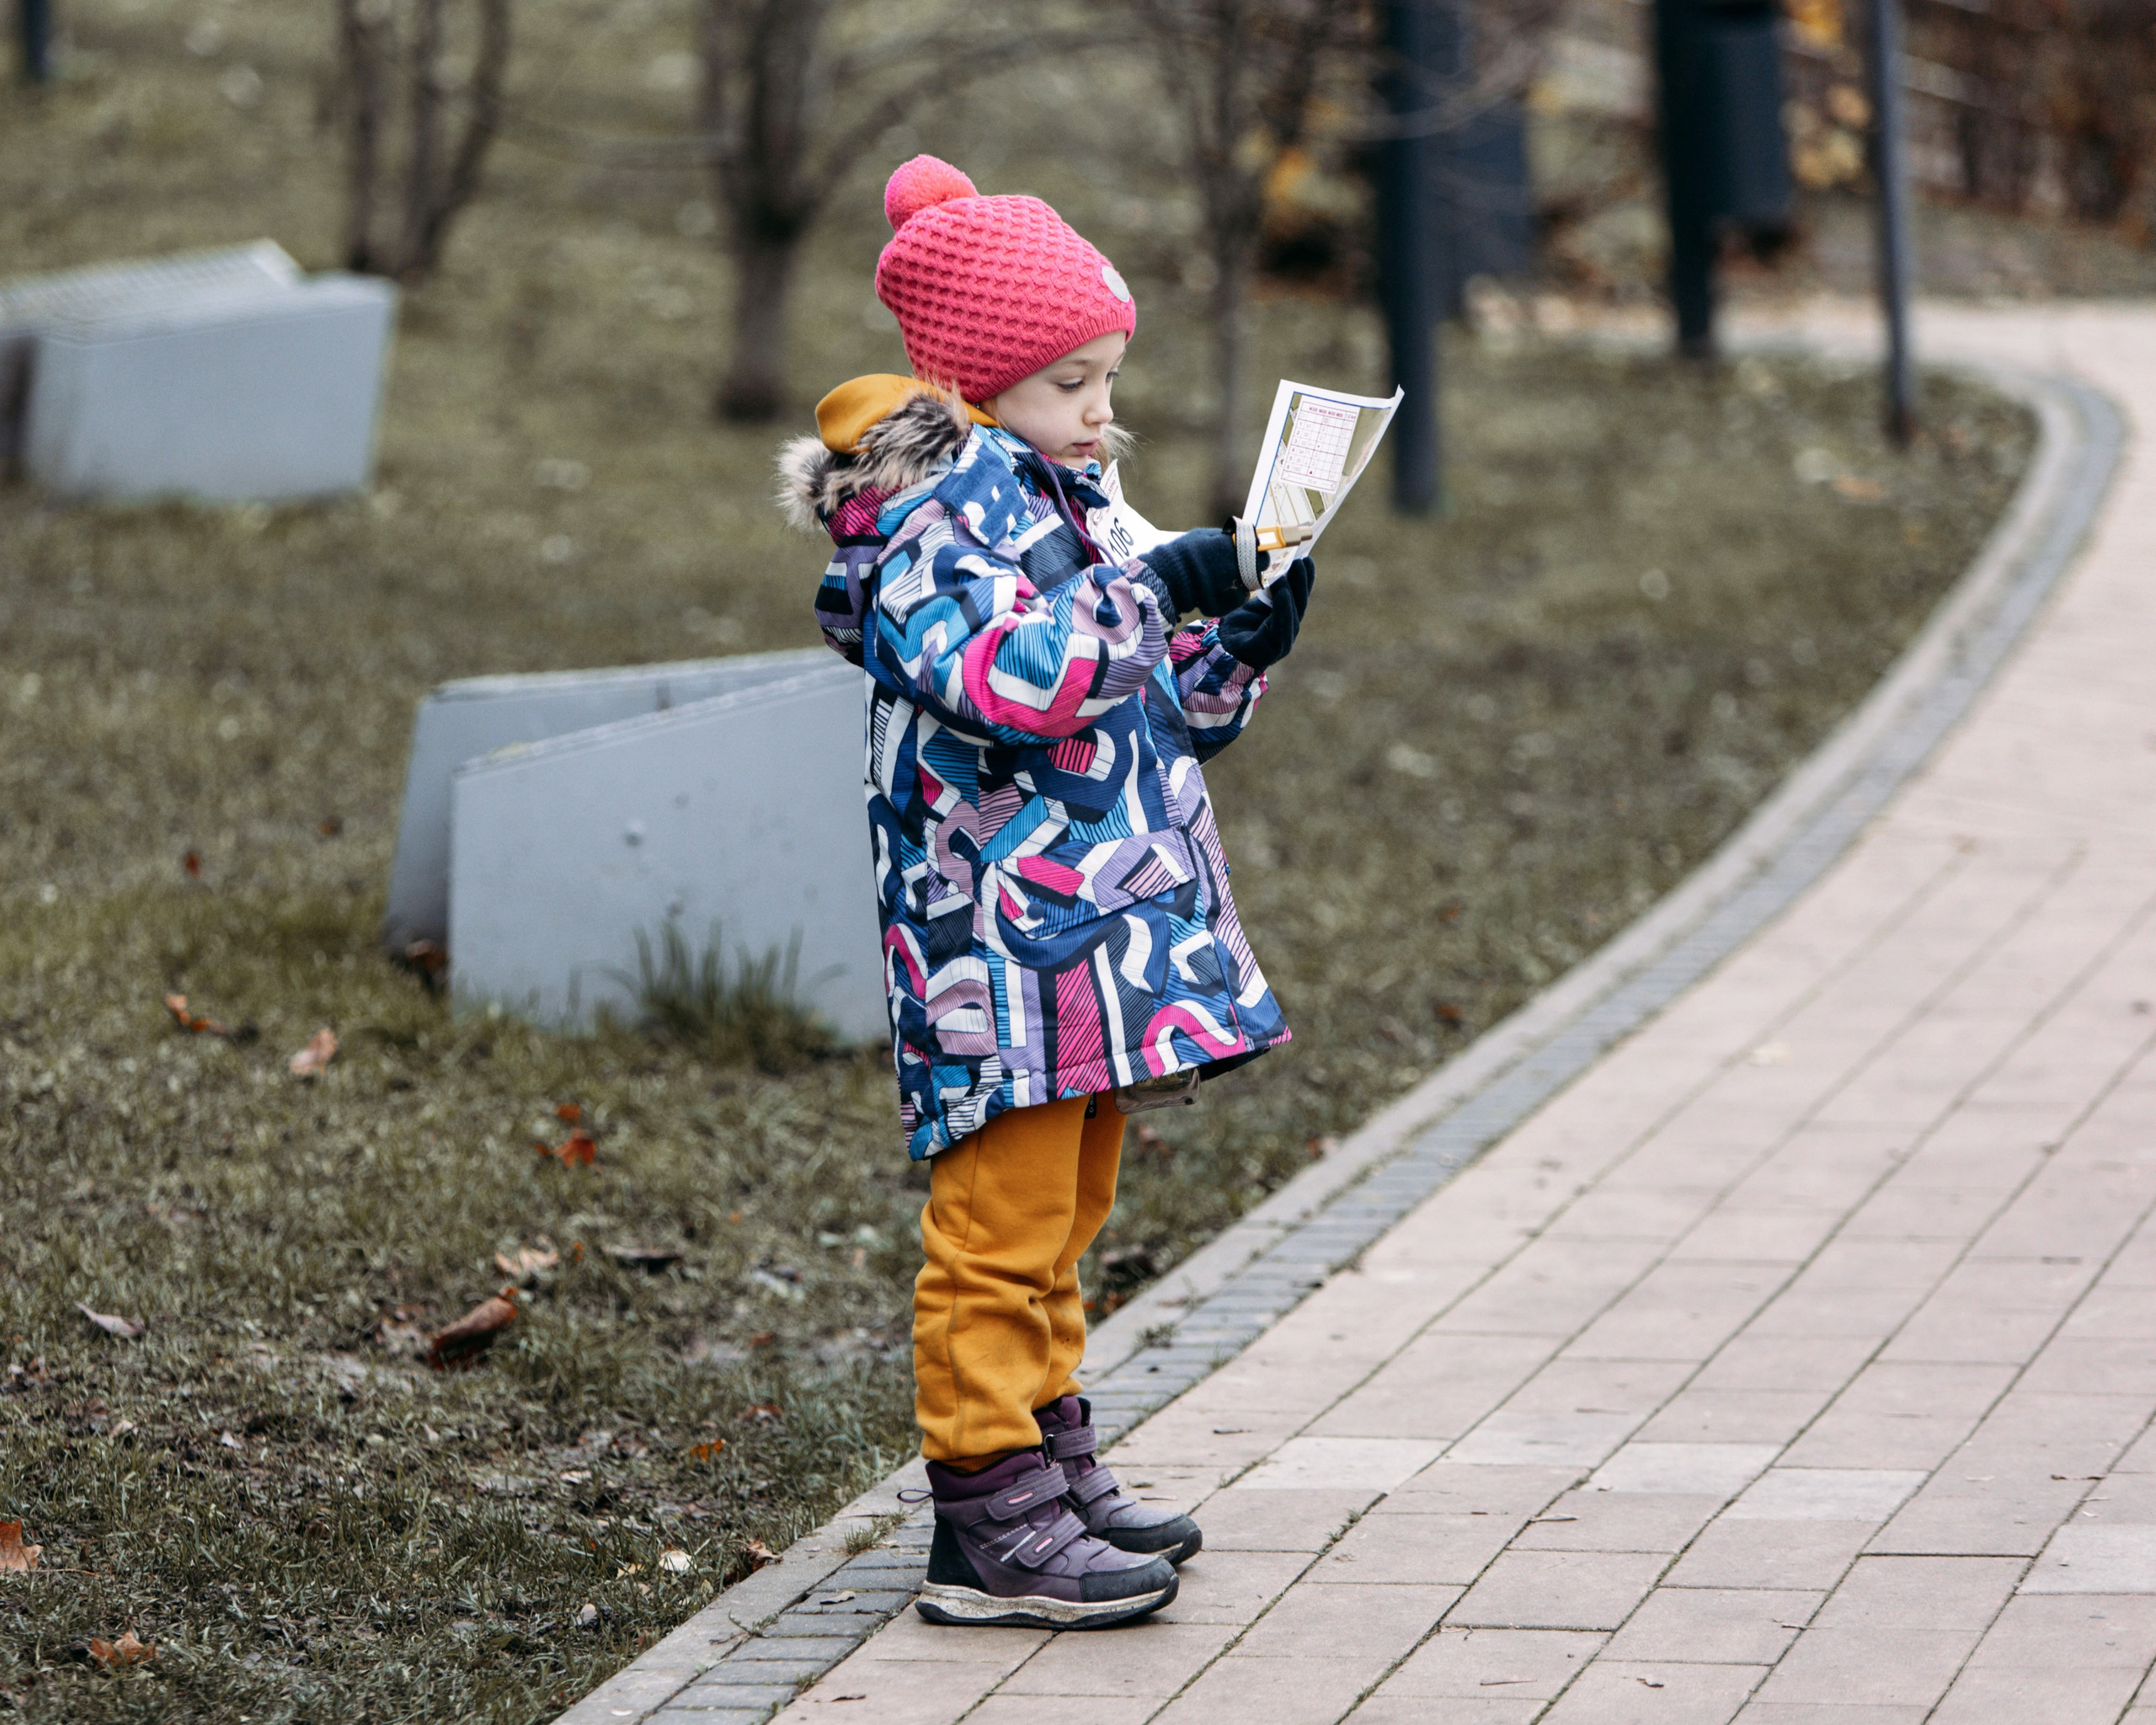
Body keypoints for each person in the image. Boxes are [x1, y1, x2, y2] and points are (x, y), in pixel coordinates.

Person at [778, 155, 1314, 1631]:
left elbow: (1141, 707)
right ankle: (983, 1513)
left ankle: (1052, 1457)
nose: (1101, 409)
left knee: (1066, 1214)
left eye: (1107, 377)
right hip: (995, 945)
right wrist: (1161, 593)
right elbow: (1012, 679)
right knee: (996, 1229)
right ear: (974, 380)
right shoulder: (929, 522)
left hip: (1091, 940)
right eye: (1072, 380)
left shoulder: (1067, 495)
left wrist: (1238, 641)